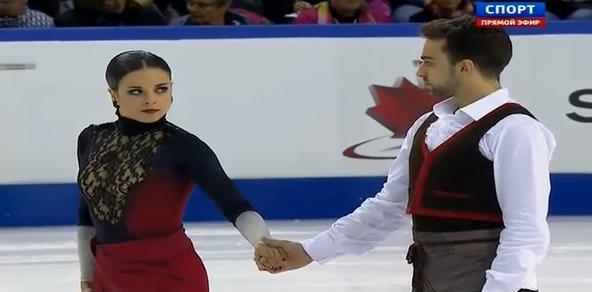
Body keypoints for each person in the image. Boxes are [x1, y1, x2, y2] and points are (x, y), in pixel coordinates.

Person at [254, 15, 556, 292]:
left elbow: (526, 230)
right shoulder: (427, 126)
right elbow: (388, 207)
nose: (420, 71)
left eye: (428, 62)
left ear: (464, 67)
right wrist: (310, 251)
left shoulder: (515, 130)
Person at [76, 50, 279, 292]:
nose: (151, 100)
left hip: (168, 275)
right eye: (136, 91)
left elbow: (234, 204)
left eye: (161, 89)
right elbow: (87, 213)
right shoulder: (91, 138)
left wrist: (263, 242)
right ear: (113, 95)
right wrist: (87, 274)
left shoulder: (183, 146)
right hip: (108, 274)